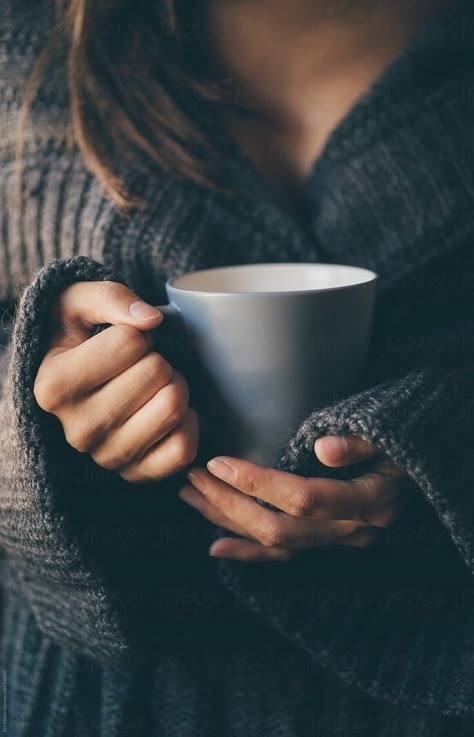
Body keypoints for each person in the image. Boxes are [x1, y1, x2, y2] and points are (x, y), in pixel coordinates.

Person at [1, 0, 474, 735]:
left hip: (432, 682)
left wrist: (446, 444)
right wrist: (34, 399)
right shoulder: (25, 42)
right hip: (104, 699)